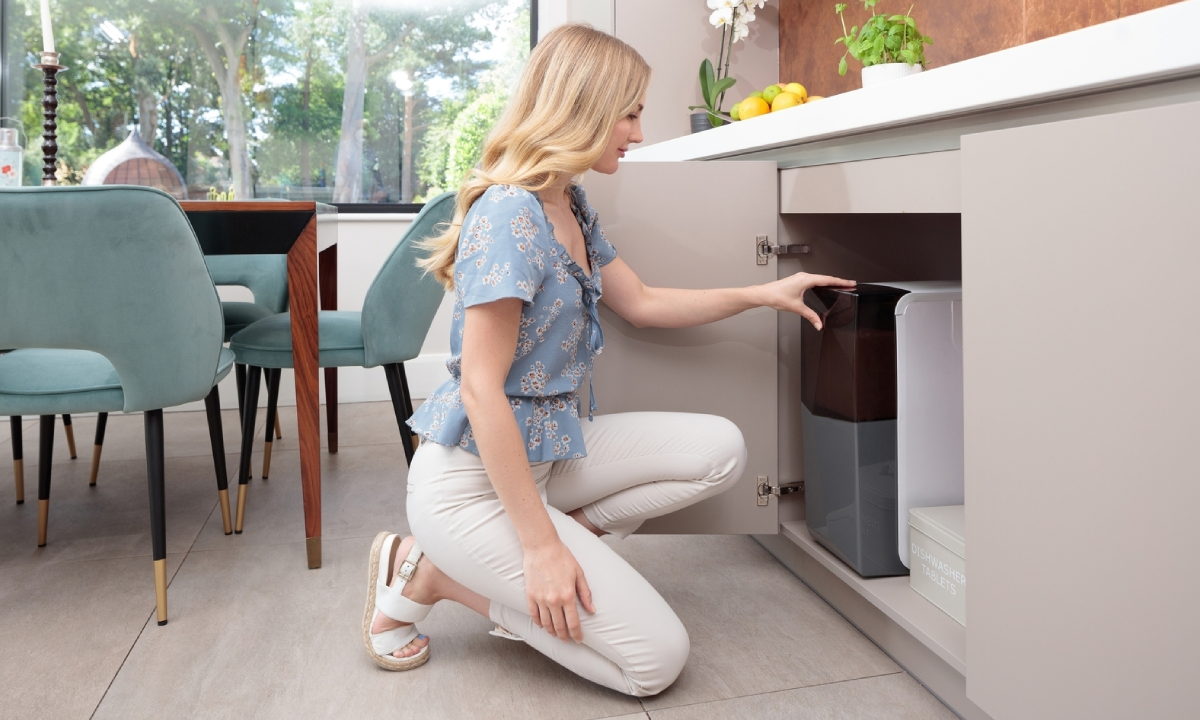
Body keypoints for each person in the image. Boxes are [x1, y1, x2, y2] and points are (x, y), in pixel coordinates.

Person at [361, 23, 855, 696]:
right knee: (655, 662)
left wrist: (764, 292)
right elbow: (481, 390)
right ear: (582, 107)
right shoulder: (511, 215)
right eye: (629, 113)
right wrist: (540, 550)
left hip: (551, 455)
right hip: (471, 487)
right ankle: (441, 577)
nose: (638, 132)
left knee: (721, 449)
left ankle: (551, 546)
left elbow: (644, 302)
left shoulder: (570, 201)